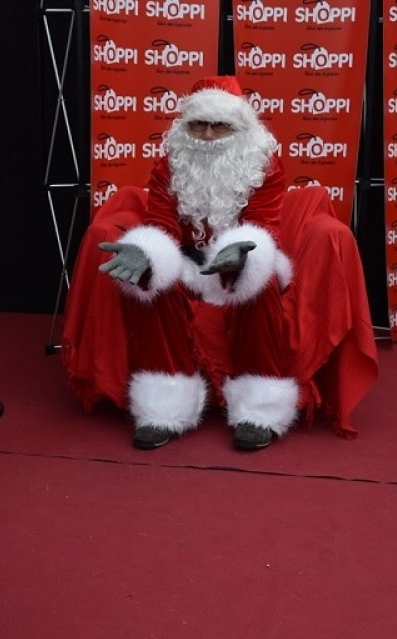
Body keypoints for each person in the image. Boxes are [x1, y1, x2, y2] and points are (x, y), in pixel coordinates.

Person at [95, 75, 298, 451]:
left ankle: (260, 408)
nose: (206, 135)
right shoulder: (170, 165)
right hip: (189, 259)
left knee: (262, 284)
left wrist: (242, 254)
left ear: (240, 128)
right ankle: (164, 406)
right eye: (198, 125)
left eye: (219, 126)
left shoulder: (264, 164)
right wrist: (149, 253)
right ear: (184, 126)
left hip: (243, 255)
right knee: (153, 282)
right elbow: (162, 223)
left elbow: (264, 224)